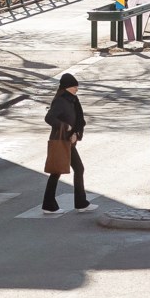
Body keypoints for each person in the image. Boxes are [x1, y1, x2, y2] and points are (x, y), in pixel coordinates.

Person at [42, 70, 91, 213]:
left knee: (76, 169)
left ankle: (80, 203)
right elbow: (49, 118)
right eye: (74, 86)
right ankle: (50, 205)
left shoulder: (73, 100)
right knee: (57, 171)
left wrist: (76, 133)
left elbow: (79, 120)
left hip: (69, 141)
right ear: (67, 87)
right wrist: (66, 127)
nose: (77, 89)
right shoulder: (60, 101)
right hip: (60, 141)